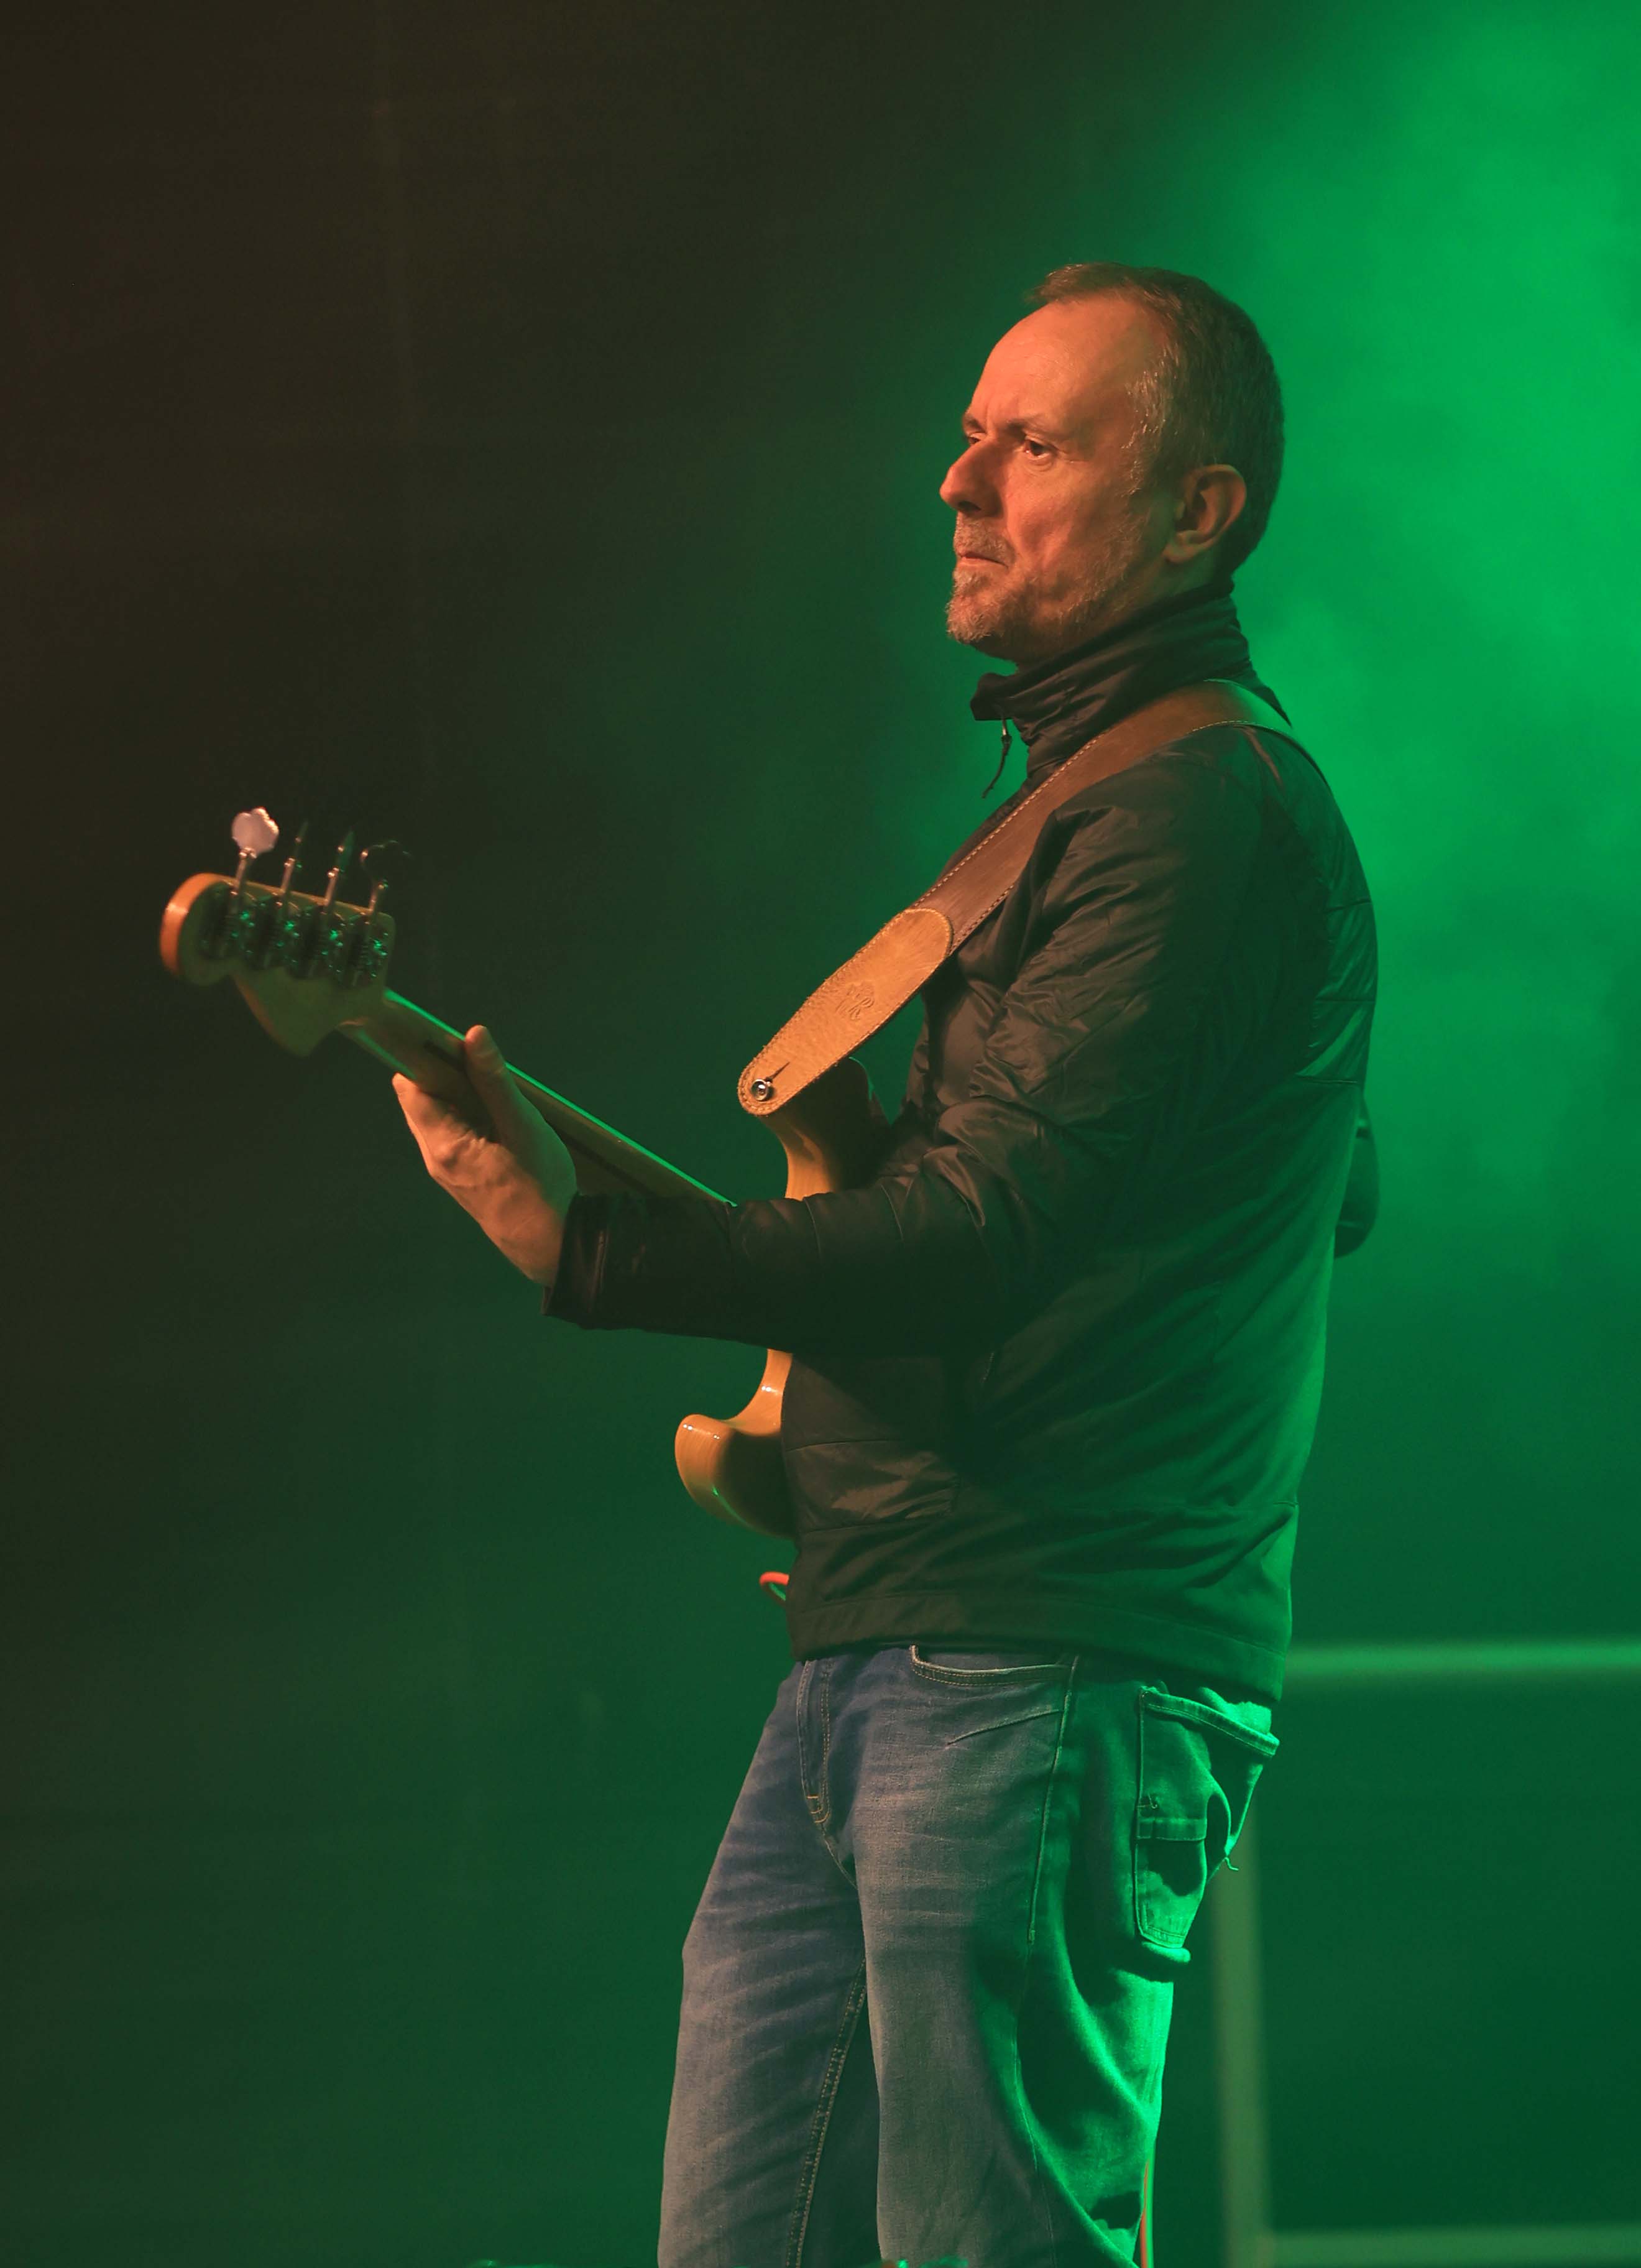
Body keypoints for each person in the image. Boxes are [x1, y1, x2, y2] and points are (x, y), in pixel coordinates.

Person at [394, 263, 1377, 2268]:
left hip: (1041, 1657)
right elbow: (1297, 1189)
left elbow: (992, 1230)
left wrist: (597, 1246)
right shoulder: (1093, 805)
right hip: (915, 1636)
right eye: (969, 432)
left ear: (1198, 512)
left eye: (1034, 443)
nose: (959, 480)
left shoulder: (1198, 811)